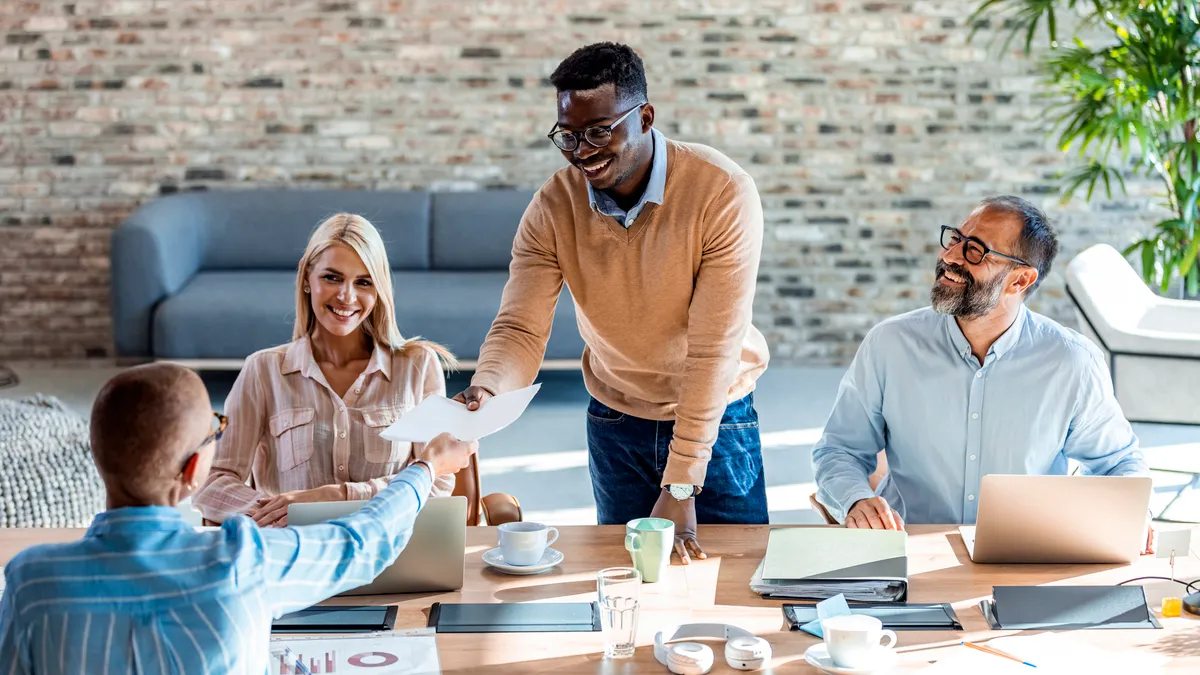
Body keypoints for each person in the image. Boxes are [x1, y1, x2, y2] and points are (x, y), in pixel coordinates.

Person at [452, 42, 770, 563]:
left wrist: (683, 482)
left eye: (600, 131)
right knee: (627, 580)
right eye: (569, 136)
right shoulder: (554, 205)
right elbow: (520, 328)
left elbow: (713, 350)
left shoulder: (721, 192)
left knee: (735, 579)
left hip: (718, 418)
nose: (583, 151)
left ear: (645, 116)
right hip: (616, 418)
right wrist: (488, 388)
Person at [0, 363, 477, 673]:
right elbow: (363, 540)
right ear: (193, 472)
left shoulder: (30, 582)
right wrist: (428, 465)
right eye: (214, 433)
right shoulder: (244, 561)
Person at [812, 196, 1151, 536]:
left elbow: (1118, 463)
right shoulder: (889, 345)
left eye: (974, 250)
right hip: (908, 551)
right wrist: (855, 500)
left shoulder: (1071, 361)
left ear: (1019, 280)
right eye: (956, 239)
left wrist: (1133, 512)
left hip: (1024, 555)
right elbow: (839, 450)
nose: (950, 256)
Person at [193, 213, 458, 526]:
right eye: (332, 277)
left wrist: (333, 498)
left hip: (391, 555)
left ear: (379, 291)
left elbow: (437, 482)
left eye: (363, 282)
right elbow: (212, 484)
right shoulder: (263, 371)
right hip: (291, 556)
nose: (347, 296)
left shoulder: (418, 366)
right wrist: (275, 510)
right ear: (307, 278)